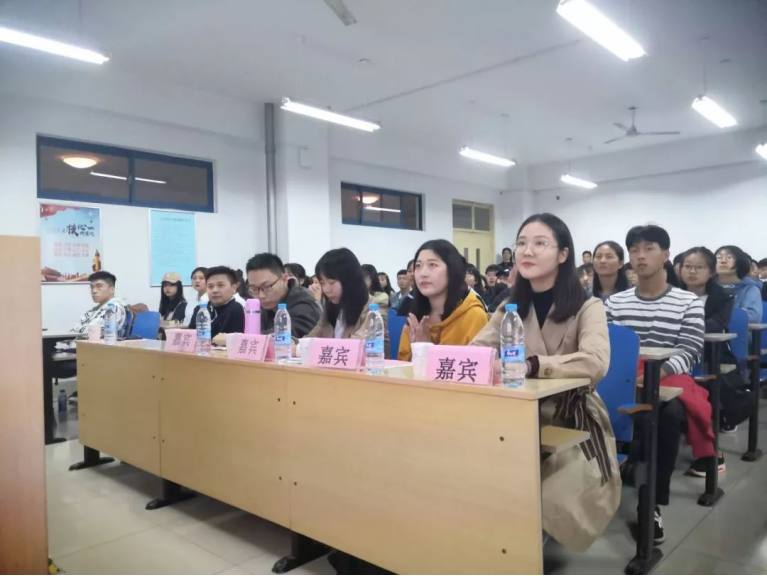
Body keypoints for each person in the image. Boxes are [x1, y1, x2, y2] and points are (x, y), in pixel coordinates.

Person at [471, 213, 619, 553]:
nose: (527, 251)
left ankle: (521, 552)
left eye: (540, 243)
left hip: (571, 415)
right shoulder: (510, 307)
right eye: (522, 243)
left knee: (543, 496)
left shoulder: (588, 306)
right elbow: (477, 351)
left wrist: (533, 365)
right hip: (514, 411)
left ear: (563, 254)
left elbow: (595, 362)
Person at [606, 224, 713, 545]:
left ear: (666, 255)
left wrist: (659, 373)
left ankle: (649, 503)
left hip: (669, 380)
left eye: (649, 248)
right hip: (623, 379)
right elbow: (606, 347)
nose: (640, 256)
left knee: (665, 416)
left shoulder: (688, 302)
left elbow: (691, 349)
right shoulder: (615, 303)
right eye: (634, 250)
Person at [398, 240, 488, 362]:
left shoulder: (473, 316)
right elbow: (401, 365)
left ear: (452, 270)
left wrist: (428, 351)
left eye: (432, 265)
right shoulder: (416, 318)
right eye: (418, 266)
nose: (423, 274)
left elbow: (476, 367)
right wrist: (417, 353)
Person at [308, 248, 390, 356]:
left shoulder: (374, 307)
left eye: (331, 282)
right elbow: (311, 338)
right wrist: (294, 344)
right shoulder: (333, 307)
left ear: (349, 280)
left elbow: (355, 346)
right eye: (322, 283)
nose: (326, 289)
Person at [246, 253, 322, 339]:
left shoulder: (303, 301)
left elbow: (286, 334)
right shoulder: (263, 303)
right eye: (254, 289)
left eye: (267, 286)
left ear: (284, 279)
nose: (261, 295)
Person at [189, 266, 245, 338]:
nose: (214, 290)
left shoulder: (236, 308)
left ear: (234, 288)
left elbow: (234, 339)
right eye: (210, 286)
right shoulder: (199, 309)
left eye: (220, 285)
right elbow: (190, 337)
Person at [716, 245, 762, 323]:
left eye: (729, 257)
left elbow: (754, 316)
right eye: (719, 257)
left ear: (740, 263)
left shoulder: (749, 289)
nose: (723, 261)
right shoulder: (706, 287)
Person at [72, 271, 128, 335]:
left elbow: (96, 332)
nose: (94, 291)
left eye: (99, 286)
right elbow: (75, 328)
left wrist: (79, 330)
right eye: (92, 287)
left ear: (112, 289)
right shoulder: (94, 310)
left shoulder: (114, 308)